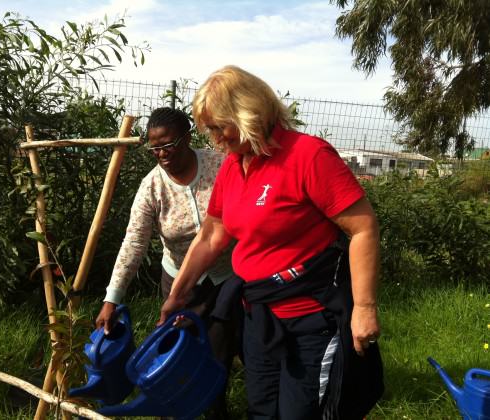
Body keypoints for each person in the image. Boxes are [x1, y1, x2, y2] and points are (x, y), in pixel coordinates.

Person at [159, 66, 384, 420]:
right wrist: (178, 294)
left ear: (248, 112)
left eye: (220, 127)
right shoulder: (234, 166)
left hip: (311, 318)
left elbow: (363, 229)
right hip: (259, 316)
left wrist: (365, 308)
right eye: (210, 130)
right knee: (261, 410)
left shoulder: (307, 156)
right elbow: (212, 235)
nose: (215, 139)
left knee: (300, 414)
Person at [95, 107, 237, 420]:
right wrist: (111, 298)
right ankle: (173, 411)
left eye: (168, 145)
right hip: (180, 285)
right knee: (176, 357)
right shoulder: (152, 188)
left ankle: (216, 409)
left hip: (227, 278)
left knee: (218, 354)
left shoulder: (219, 164)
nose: (162, 154)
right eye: (154, 148)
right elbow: (134, 242)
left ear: (187, 138)